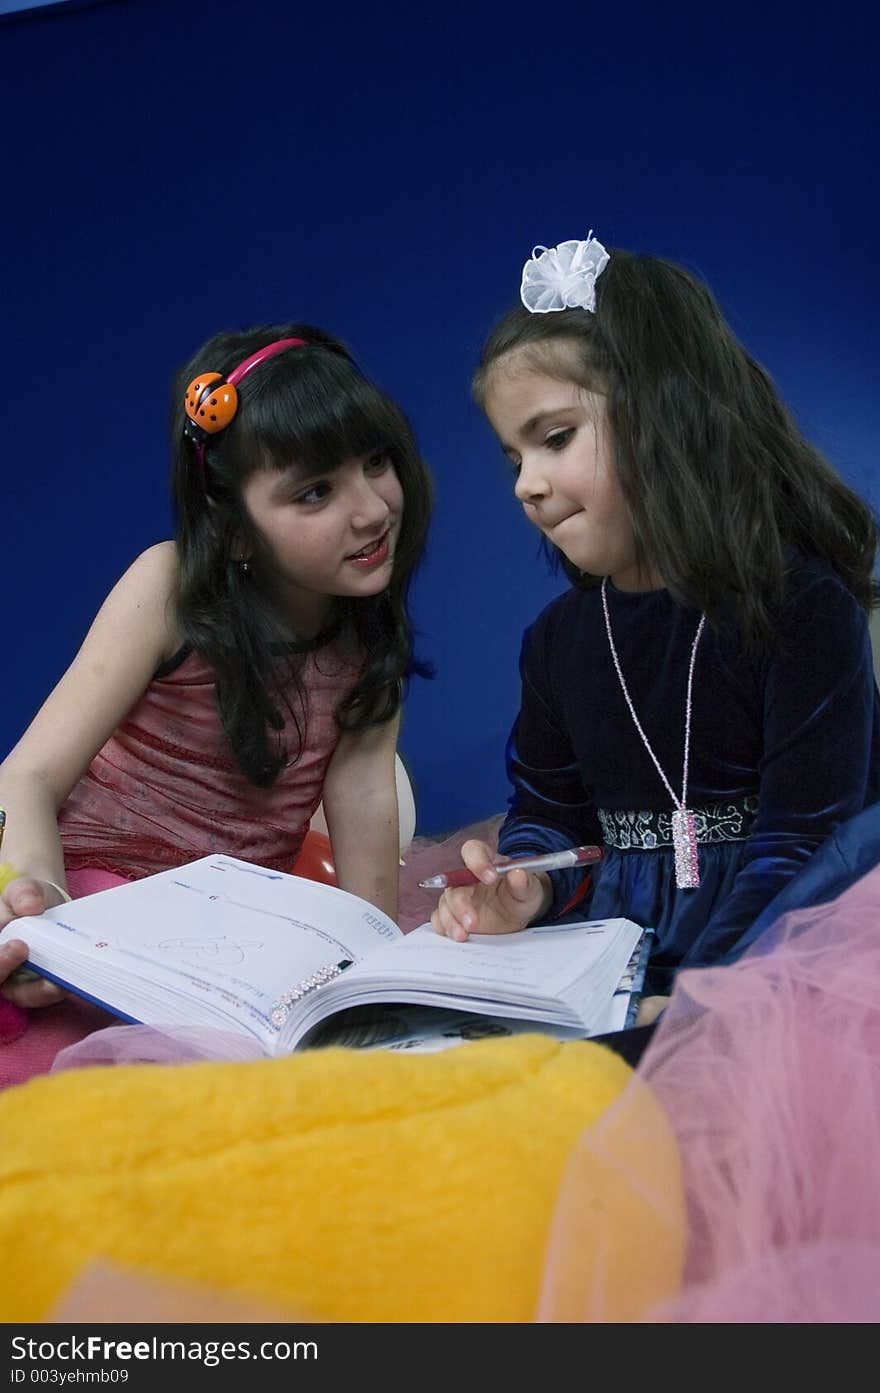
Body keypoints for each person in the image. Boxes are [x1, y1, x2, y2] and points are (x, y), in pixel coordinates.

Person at [431, 234, 880, 1013]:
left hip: (775, 963)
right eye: (513, 459)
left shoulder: (801, 613)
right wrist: (529, 885)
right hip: (614, 962)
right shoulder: (558, 643)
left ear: (661, 417)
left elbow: (806, 851)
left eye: (556, 438)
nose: (527, 486)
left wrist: (696, 1000)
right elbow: (552, 815)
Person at [1, 323, 431, 1018]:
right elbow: (26, 776)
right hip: (92, 891)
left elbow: (364, 799)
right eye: (316, 492)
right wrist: (41, 908)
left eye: (376, 462)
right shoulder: (169, 588)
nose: (373, 509)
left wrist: (375, 975)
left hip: (232, 932)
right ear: (232, 529)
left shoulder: (365, 625)